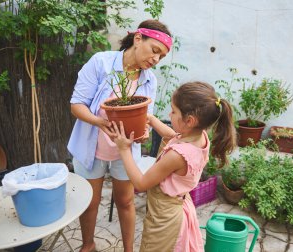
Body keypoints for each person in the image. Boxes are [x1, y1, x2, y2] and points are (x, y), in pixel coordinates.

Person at [67, 19, 173, 252]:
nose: (155, 59)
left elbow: (146, 116)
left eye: (161, 57)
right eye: (154, 50)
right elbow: (77, 105)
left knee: (125, 202)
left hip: (125, 149)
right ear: (138, 39)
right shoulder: (101, 63)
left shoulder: (149, 80)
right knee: (90, 202)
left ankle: (128, 250)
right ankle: (88, 245)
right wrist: (100, 122)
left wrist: (143, 134)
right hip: (91, 146)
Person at [108, 81, 237, 251]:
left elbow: (140, 183)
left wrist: (124, 149)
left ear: (189, 120)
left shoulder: (176, 156)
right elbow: (172, 135)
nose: (169, 114)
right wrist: (152, 120)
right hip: (178, 206)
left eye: (173, 111)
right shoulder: (200, 137)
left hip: (165, 216)